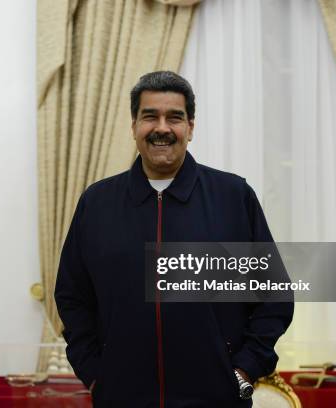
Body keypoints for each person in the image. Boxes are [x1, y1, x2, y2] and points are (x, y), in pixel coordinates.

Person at [54, 71, 294, 407]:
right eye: (150, 116)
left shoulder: (234, 197)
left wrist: (243, 371)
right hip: (121, 398)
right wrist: (96, 374)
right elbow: (72, 296)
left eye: (175, 117)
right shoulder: (96, 203)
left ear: (190, 127)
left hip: (216, 399)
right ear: (134, 126)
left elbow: (274, 297)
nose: (162, 128)